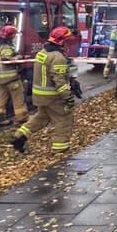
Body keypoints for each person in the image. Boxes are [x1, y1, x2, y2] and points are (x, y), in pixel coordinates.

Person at [12, 26, 80, 154]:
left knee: (41, 118)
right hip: (53, 96)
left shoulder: (42, 53)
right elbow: (58, 80)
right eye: (66, 40)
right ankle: (60, 149)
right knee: (64, 119)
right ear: (61, 42)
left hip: (40, 96)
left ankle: (19, 136)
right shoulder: (58, 57)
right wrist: (68, 97)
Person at [0, 25, 28, 126]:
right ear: (10, 36)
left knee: (2, 98)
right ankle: (22, 118)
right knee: (18, 98)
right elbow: (6, 60)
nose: (15, 37)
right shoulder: (6, 48)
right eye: (14, 35)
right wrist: (20, 57)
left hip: (1, 79)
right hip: (11, 78)